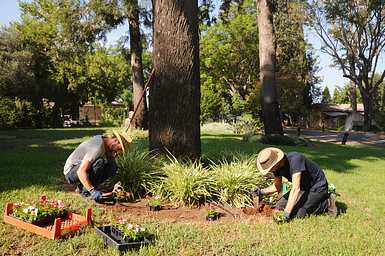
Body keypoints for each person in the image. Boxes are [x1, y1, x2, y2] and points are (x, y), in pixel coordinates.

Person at [251, 147, 337, 222]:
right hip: (303, 187)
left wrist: (286, 213)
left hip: (317, 187)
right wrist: (261, 192)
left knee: (298, 213)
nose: (270, 171)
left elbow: (296, 189)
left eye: (270, 168)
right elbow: (277, 186)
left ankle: (327, 202)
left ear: (277, 162)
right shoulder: (276, 168)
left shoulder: (296, 159)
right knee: (279, 206)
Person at [63, 130, 132, 202]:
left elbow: (109, 167)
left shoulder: (105, 142)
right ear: (115, 141)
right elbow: (81, 171)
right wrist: (92, 191)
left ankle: (82, 187)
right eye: (119, 149)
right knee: (99, 162)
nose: (117, 152)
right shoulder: (96, 147)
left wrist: (110, 156)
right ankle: (86, 193)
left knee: (112, 166)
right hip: (71, 172)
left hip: (80, 170)